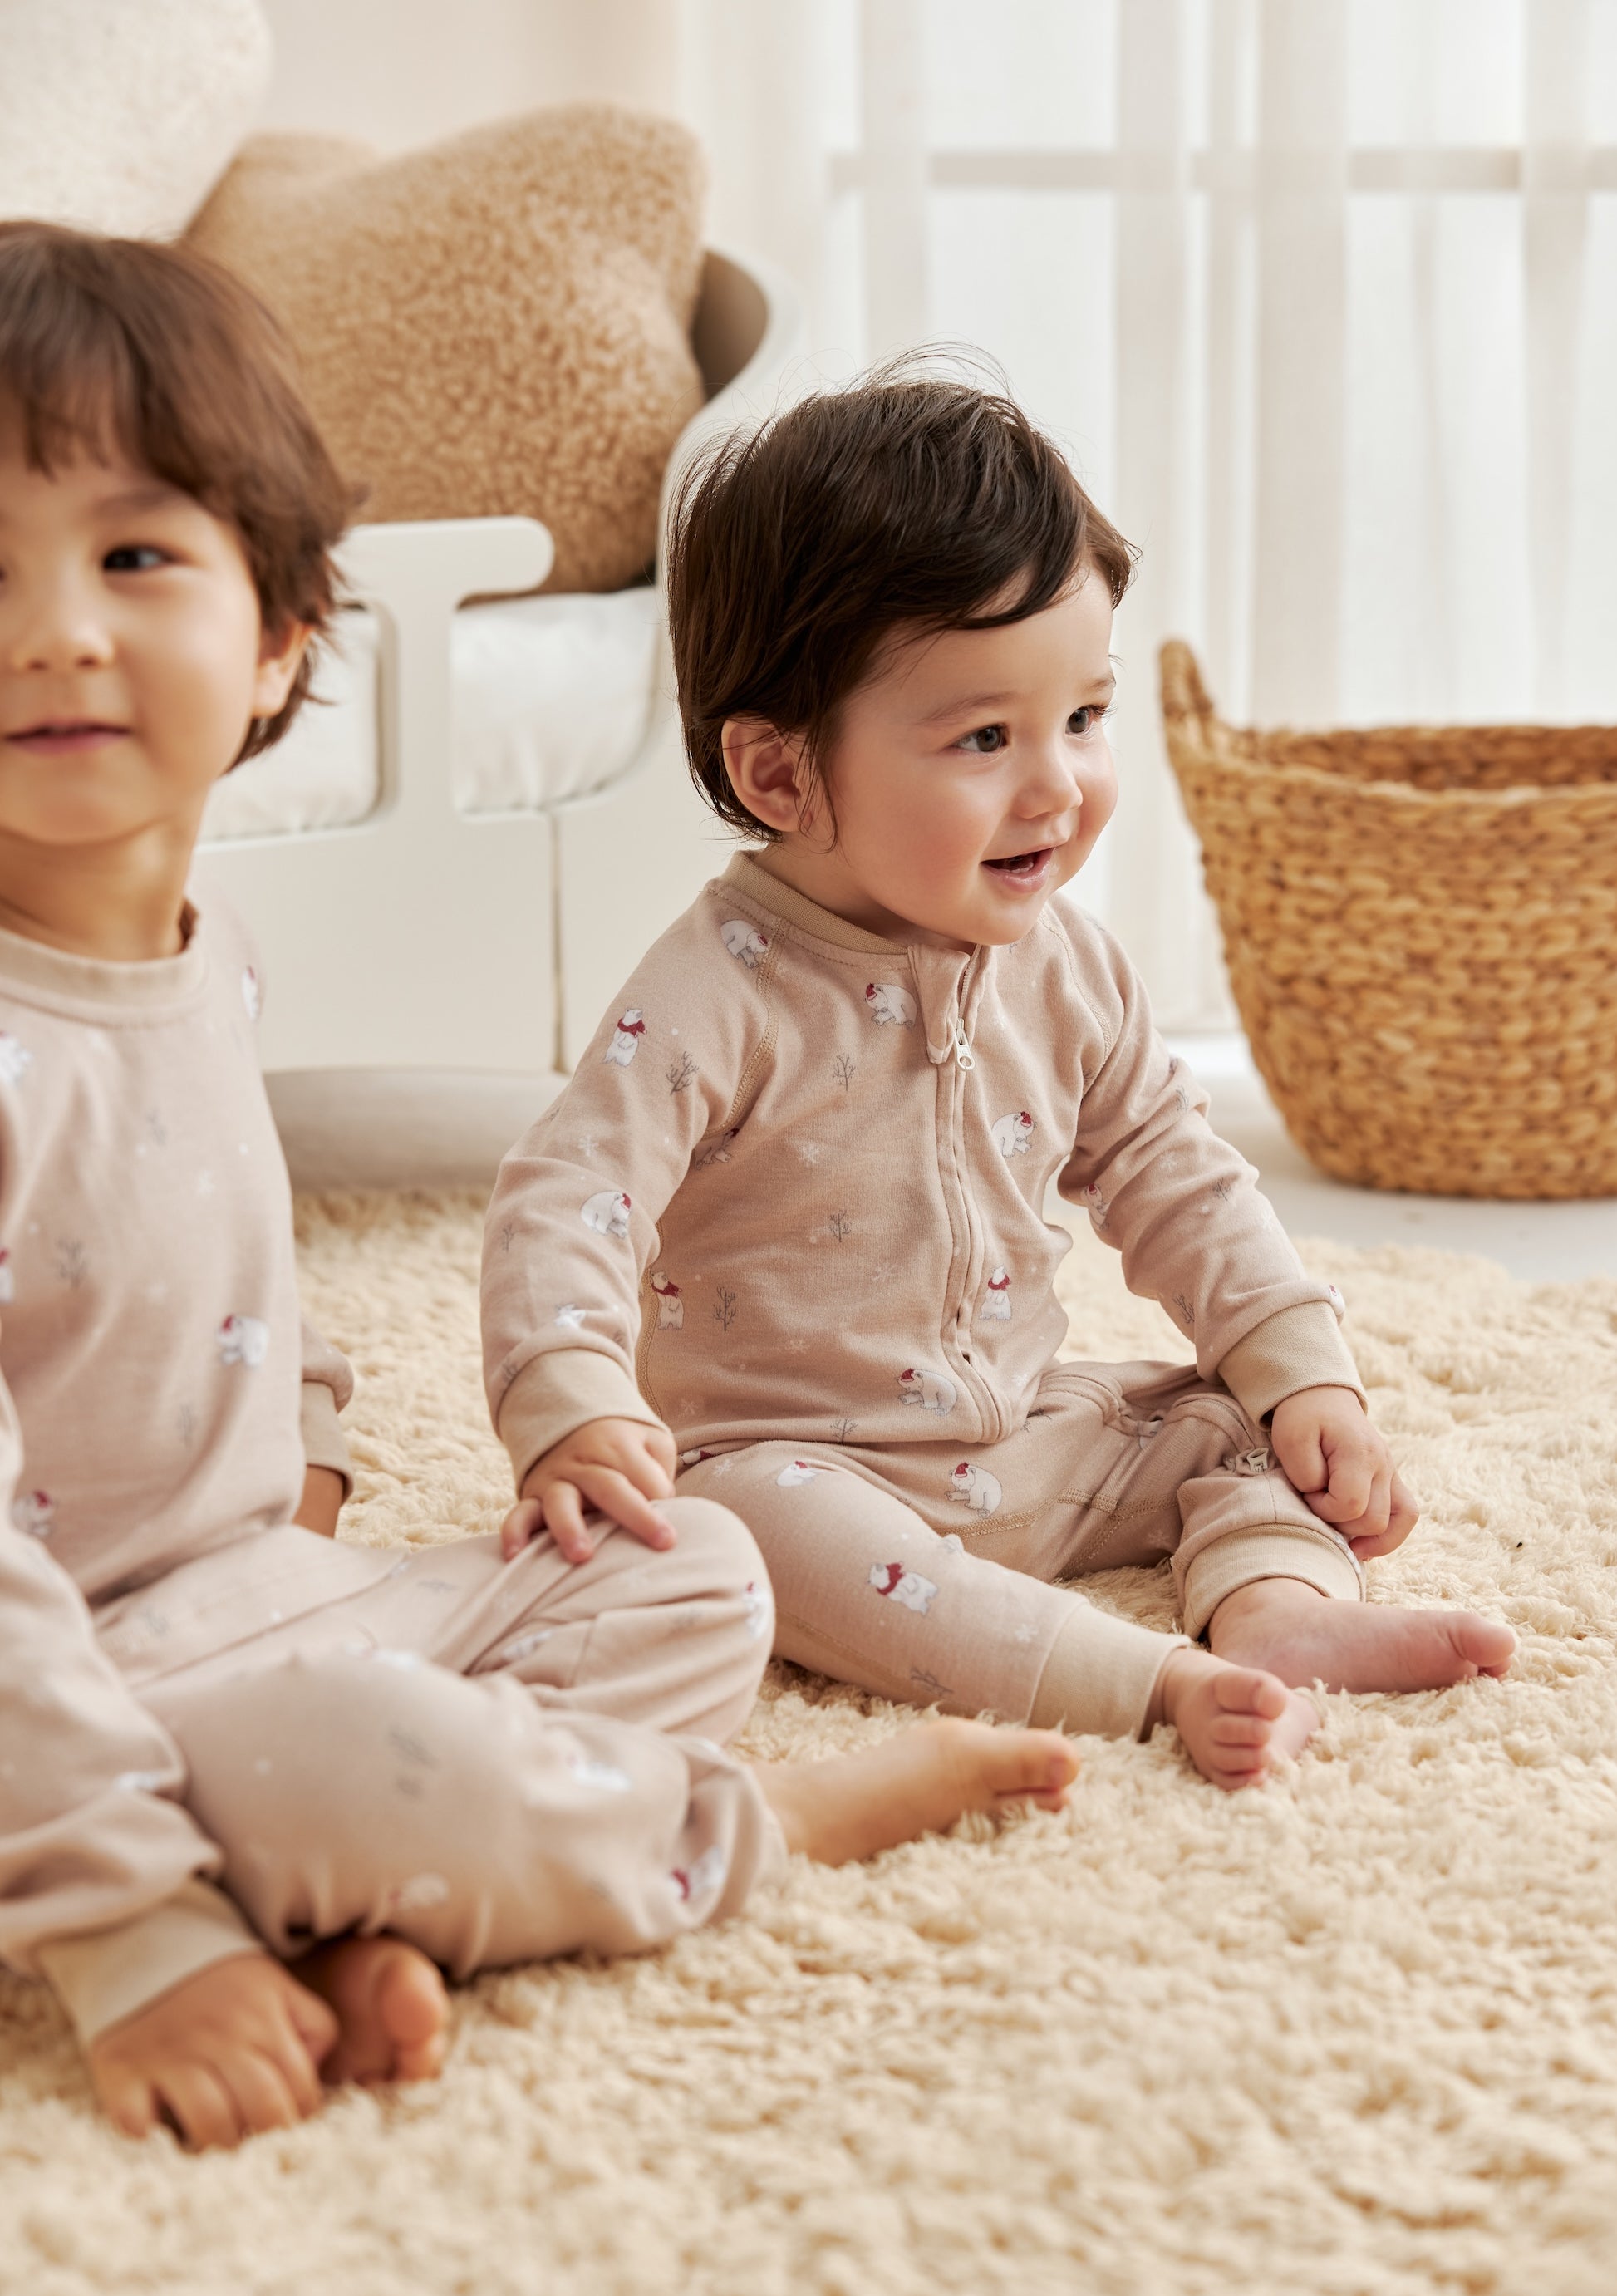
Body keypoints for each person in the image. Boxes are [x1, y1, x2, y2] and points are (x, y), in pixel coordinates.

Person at [0, 229, 1080, 2153]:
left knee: (688, 1570)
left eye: (133, 554)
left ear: (276, 635)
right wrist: (129, 1935)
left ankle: (361, 1895)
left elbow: (220, 1254)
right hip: (47, 1681)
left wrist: (308, 1447)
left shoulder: (203, 945)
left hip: (248, 1596)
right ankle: (726, 1834)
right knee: (353, 1748)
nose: (53, 628)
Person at [482, 369, 1517, 1796]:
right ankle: (1140, 1678)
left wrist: (1303, 1375)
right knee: (730, 1531)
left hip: (1020, 1440)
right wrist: (576, 1400)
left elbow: (1172, 1169)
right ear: (781, 777)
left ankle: (1277, 1612)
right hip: (801, 1467)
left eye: (1081, 718)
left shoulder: (1064, 966)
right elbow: (568, 1193)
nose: (1057, 787)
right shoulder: (716, 992)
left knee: (1232, 1418)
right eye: (985, 739)